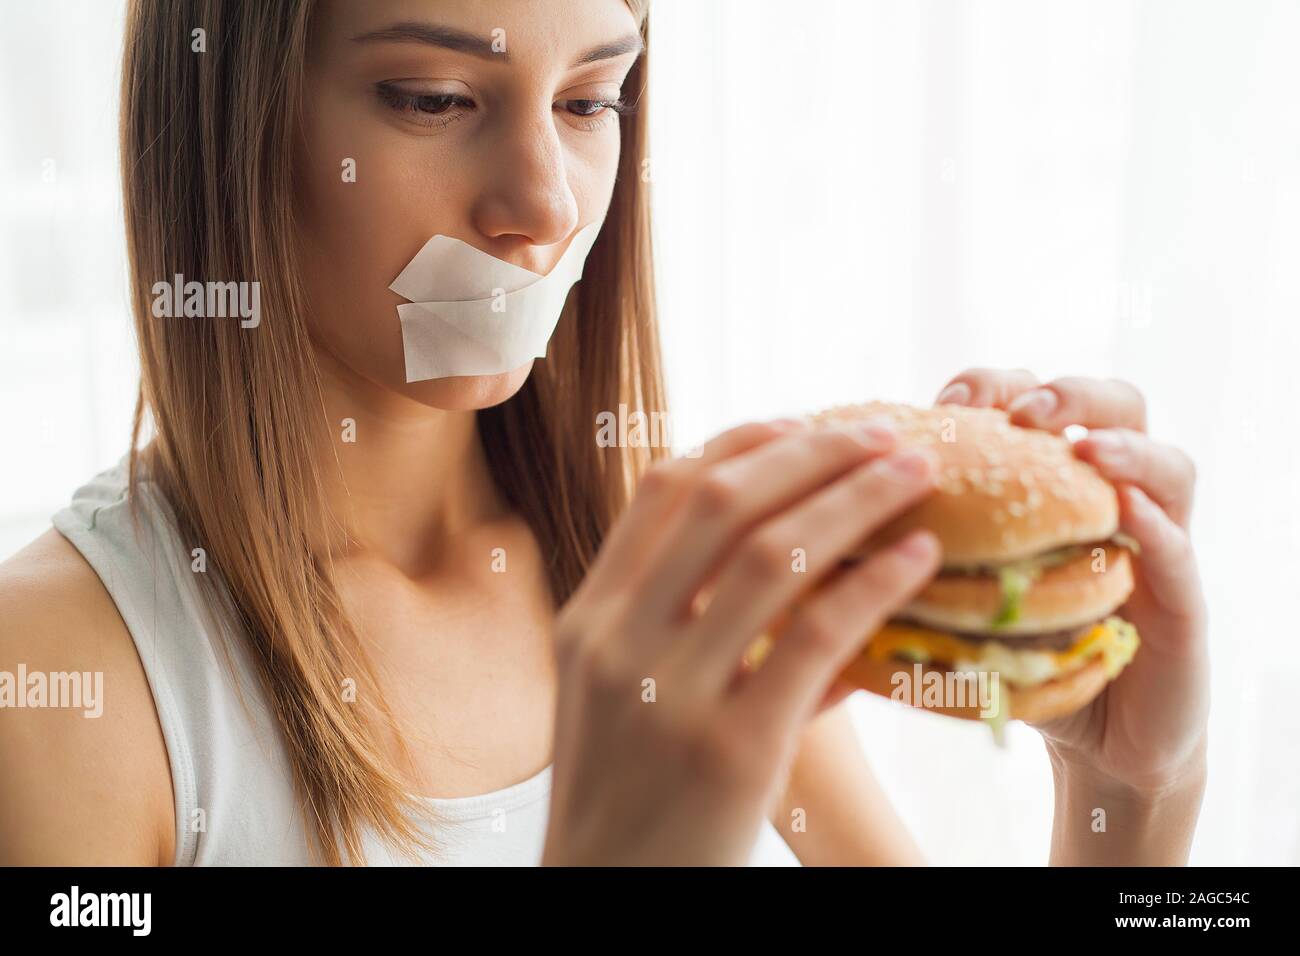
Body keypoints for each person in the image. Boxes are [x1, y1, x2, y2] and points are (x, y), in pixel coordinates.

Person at [0, 0, 1206, 866]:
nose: (545, 202)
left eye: (590, 99)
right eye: (434, 99)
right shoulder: (62, 674)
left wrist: (1124, 799)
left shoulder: (691, 569)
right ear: (231, 120)